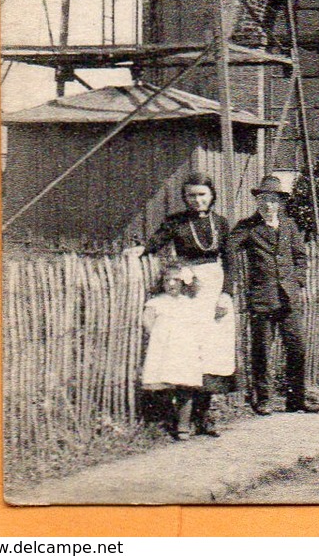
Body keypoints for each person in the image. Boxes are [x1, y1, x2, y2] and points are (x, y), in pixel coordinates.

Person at [131, 171, 236, 436]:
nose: (197, 200)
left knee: (213, 353)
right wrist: (141, 250)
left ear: (212, 196)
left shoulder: (221, 224)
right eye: (191, 195)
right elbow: (155, 243)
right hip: (190, 290)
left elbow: (232, 262)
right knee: (189, 352)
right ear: (184, 198)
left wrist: (226, 294)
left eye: (202, 195)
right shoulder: (175, 222)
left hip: (216, 288)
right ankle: (183, 420)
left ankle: (205, 417)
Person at [229, 174, 319, 415]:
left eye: (273, 200)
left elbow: (300, 257)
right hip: (262, 298)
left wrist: (298, 280)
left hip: (289, 298)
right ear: (257, 201)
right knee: (262, 350)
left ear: (280, 202)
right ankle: (264, 399)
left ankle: (296, 399)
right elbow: (229, 247)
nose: (268, 205)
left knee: (297, 348)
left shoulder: (290, 225)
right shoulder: (248, 227)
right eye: (263, 199)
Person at [141, 263, 218, 439]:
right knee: (164, 385)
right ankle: (166, 422)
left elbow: (197, 324)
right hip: (164, 349)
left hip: (185, 350)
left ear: (183, 282)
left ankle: (183, 426)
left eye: (176, 280)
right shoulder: (156, 302)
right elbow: (147, 322)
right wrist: (159, 337)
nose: (172, 284)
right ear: (162, 283)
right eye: (168, 280)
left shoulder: (189, 303)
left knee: (186, 386)